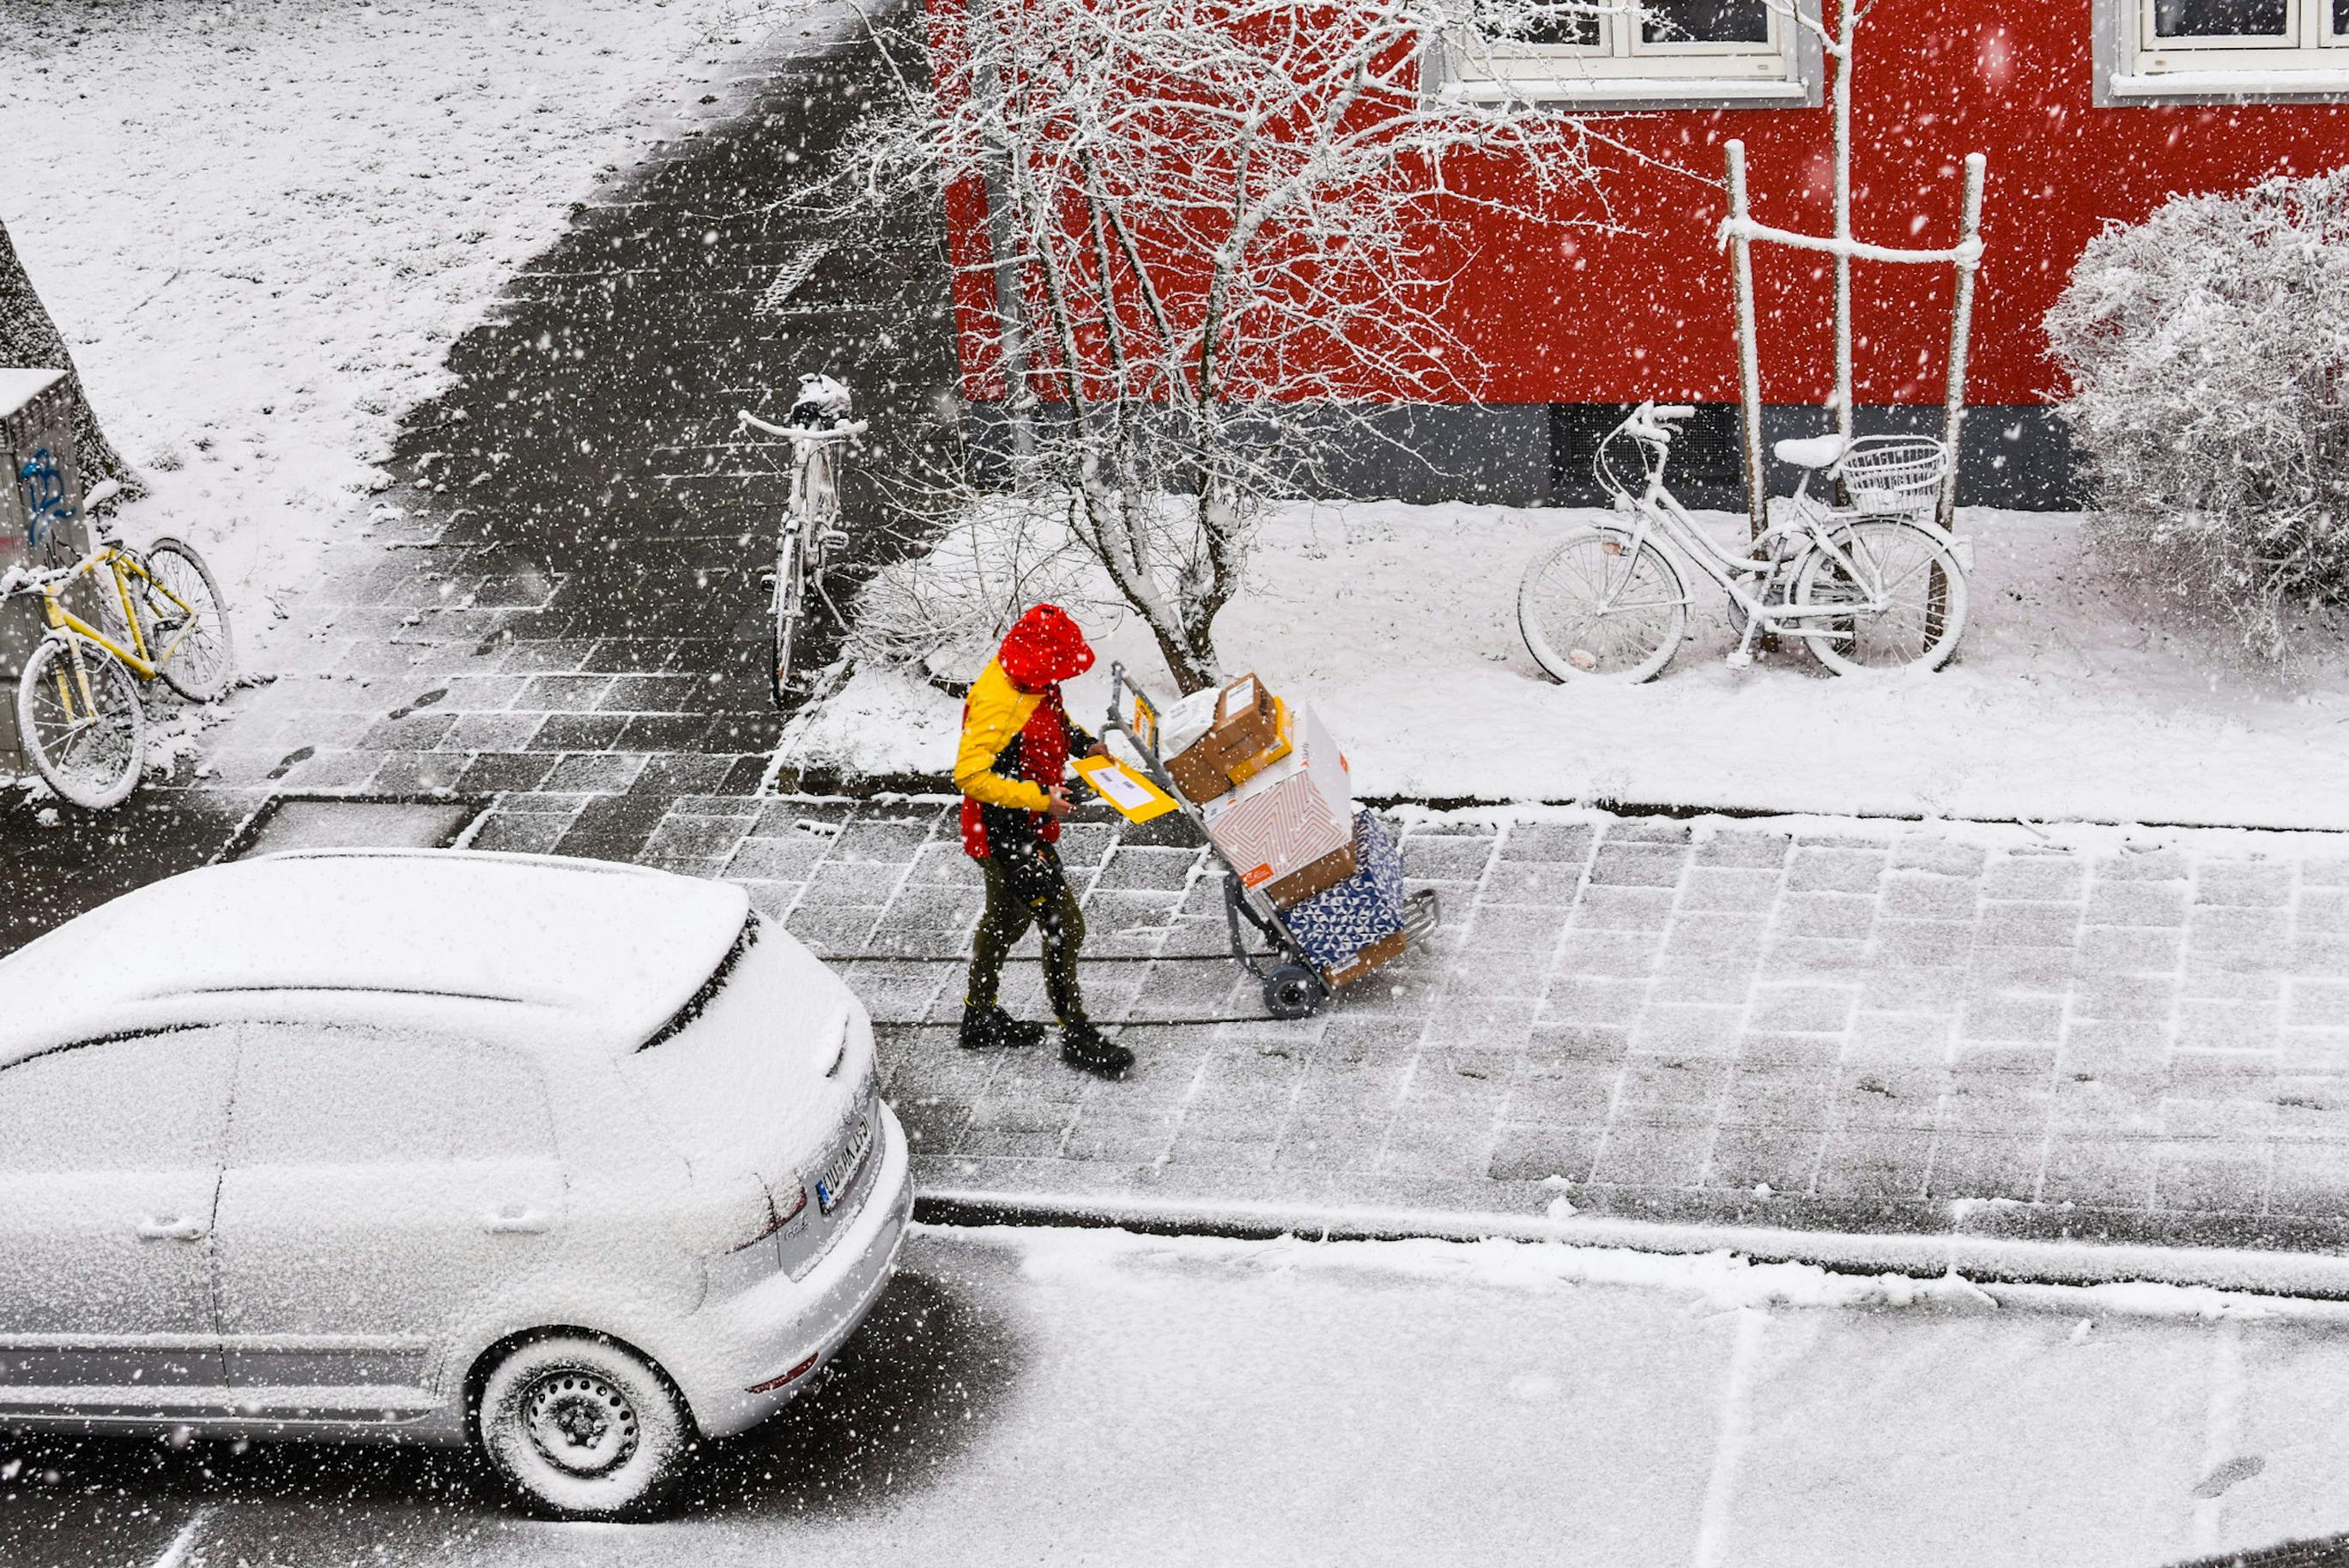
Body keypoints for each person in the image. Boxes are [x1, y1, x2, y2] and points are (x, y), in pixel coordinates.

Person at [954, 603, 1135, 1077]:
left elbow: (1051, 714)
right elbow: (970, 775)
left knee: (1005, 921)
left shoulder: (1029, 680)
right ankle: (1076, 1035)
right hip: (1006, 837)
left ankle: (979, 1015)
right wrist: (1038, 798)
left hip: (1018, 829)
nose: (1061, 679)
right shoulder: (998, 704)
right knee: (1065, 927)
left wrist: (1082, 745)